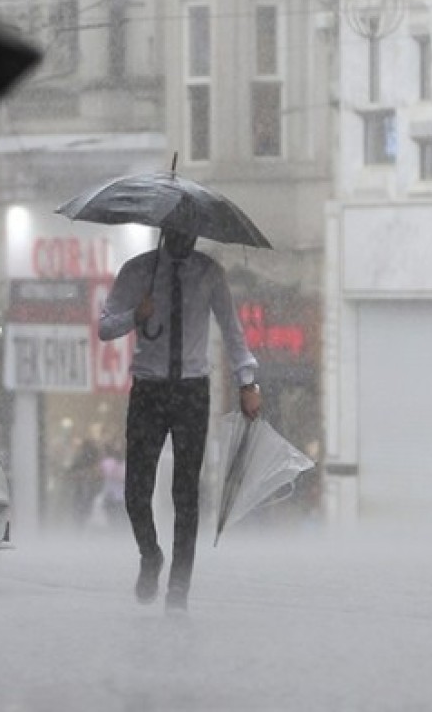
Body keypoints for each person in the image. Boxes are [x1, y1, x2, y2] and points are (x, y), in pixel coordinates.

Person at [99, 228, 261, 612]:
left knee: (186, 495)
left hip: (191, 391)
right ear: (165, 227)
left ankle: (179, 589)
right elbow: (105, 327)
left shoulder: (209, 273)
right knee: (136, 492)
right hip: (150, 388)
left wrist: (247, 381)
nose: (185, 234)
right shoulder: (137, 271)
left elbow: (232, 332)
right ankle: (150, 554)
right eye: (178, 224)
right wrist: (134, 316)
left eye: (191, 226)